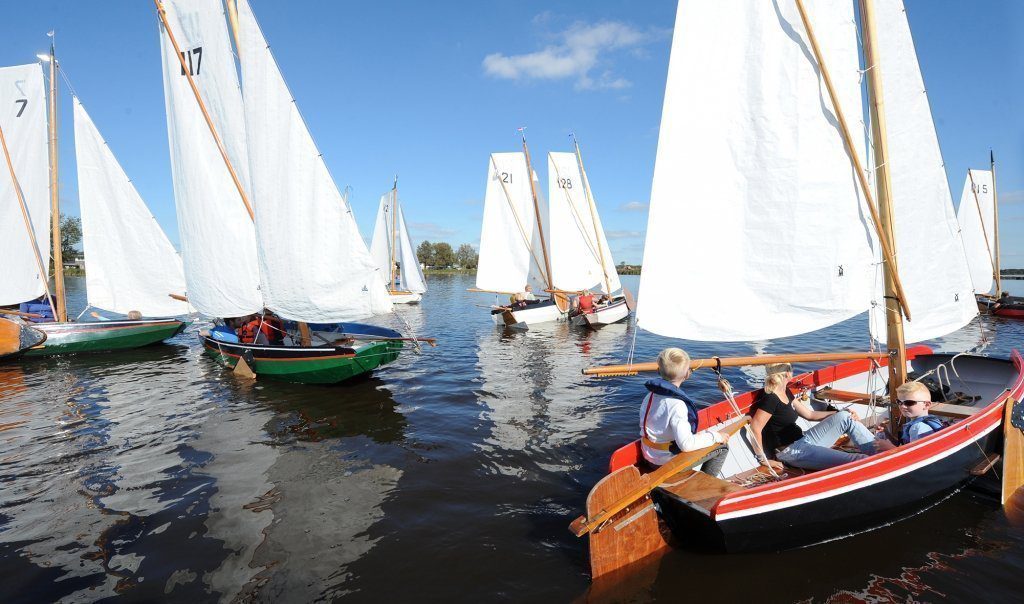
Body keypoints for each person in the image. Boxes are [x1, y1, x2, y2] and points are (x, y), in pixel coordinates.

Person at [750, 363, 879, 471]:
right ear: (786, 373)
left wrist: (839, 413)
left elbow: (809, 414)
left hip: (804, 439)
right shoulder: (771, 398)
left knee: (846, 417)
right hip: (791, 451)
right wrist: (764, 460)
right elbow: (755, 428)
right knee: (857, 460)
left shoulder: (785, 391)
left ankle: (880, 452)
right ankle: (880, 467)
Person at [640, 348, 731, 477]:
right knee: (723, 448)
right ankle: (703, 487)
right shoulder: (677, 405)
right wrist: (716, 436)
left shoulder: (649, 396)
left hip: (649, 456)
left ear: (658, 371)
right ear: (687, 374)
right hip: (665, 464)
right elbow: (686, 445)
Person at [874, 382, 944, 452]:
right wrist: (887, 433)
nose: (902, 406)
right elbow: (903, 446)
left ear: (926, 405)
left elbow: (915, 456)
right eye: (899, 402)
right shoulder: (925, 422)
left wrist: (890, 448)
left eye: (909, 403)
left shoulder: (918, 428)